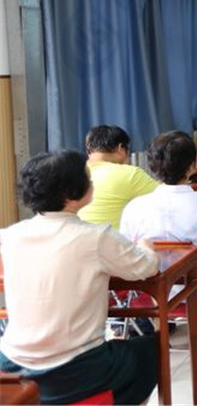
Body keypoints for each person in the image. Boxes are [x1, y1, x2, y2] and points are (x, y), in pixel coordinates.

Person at [0, 151, 159, 405]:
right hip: (73, 370)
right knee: (150, 351)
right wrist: (147, 246)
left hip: (11, 364)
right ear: (70, 193)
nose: (91, 181)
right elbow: (145, 267)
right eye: (87, 177)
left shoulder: (9, 236)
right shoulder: (97, 238)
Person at [120, 131, 197, 322]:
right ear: (194, 164)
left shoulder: (135, 208)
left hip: (150, 294)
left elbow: (128, 249)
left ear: (152, 165)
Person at [77, 125, 158, 229]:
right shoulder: (129, 174)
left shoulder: (74, 174)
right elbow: (167, 198)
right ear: (120, 148)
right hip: (110, 238)